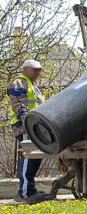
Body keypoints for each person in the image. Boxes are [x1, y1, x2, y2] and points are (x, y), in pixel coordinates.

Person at [7, 60, 46, 203]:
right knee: (28, 158)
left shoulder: (32, 86)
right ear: (25, 69)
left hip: (35, 127)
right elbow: (18, 104)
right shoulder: (19, 83)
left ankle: (30, 189)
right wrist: (27, 121)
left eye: (39, 70)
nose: (38, 72)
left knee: (35, 158)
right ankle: (25, 193)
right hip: (25, 127)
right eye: (35, 69)